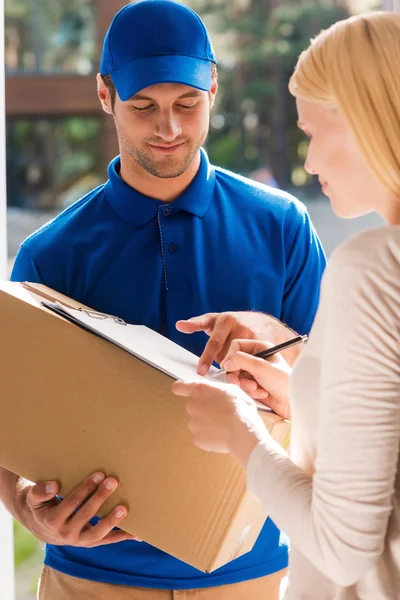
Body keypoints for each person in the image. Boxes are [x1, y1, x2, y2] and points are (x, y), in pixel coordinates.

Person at [4, 2, 325, 599]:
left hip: (250, 575)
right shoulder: (51, 255)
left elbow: (339, 390)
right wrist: (24, 506)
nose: (169, 128)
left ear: (213, 89)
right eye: (143, 107)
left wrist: (270, 337)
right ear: (105, 95)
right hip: (89, 580)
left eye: (187, 104)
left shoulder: (282, 225)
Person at [173, 11, 400, 599]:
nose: (310, 162)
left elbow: (340, 548)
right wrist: (303, 400)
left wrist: (242, 433)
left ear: (368, 120)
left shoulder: (375, 268)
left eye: (313, 133)